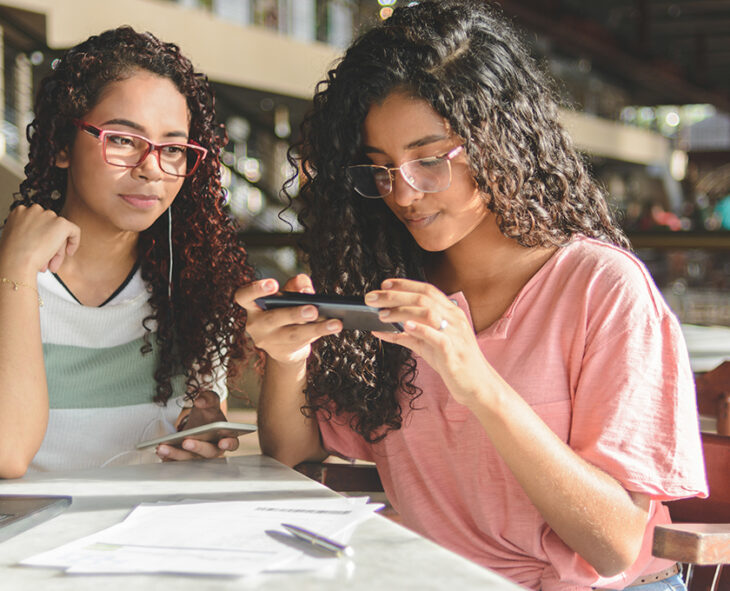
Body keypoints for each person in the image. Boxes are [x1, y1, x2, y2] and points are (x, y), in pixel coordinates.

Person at [235, 2, 708, 590]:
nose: (404, 194)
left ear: (498, 141)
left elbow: (612, 547)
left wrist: (476, 380)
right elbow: (293, 455)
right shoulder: (392, 287)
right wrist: (287, 361)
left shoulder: (603, 288)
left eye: (430, 161)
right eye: (381, 169)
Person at [0, 27, 255, 478]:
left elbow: (199, 417)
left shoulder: (193, 286)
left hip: (151, 536)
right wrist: (16, 271)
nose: (151, 169)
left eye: (173, 148)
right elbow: (7, 453)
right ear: (62, 143)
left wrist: (200, 429)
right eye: (121, 139)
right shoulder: (12, 276)